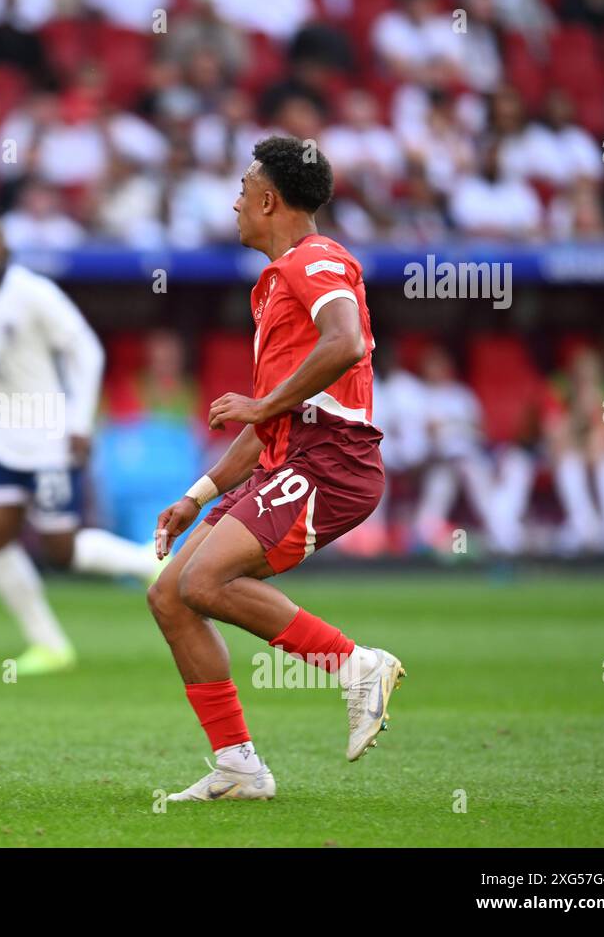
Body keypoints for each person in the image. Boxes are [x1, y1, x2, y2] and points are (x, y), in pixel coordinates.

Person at [146, 137, 405, 802]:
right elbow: (270, 425)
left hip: (330, 460)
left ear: (268, 200)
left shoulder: (315, 260)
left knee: (206, 580)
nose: (234, 202)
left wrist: (263, 403)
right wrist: (196, 495)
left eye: (241, 188)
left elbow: (345, 343)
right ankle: (238, 767)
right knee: (171, 594)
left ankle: (356, 667)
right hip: (290, 457)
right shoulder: (276, 282)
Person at [0, 215, 160, 676]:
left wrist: (79, 423)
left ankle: (144, 561)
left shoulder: (34, 293)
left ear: (5, 249)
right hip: (1, 440)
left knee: (61, 550)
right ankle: (49, 645)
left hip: (50, 439)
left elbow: (87, 351)